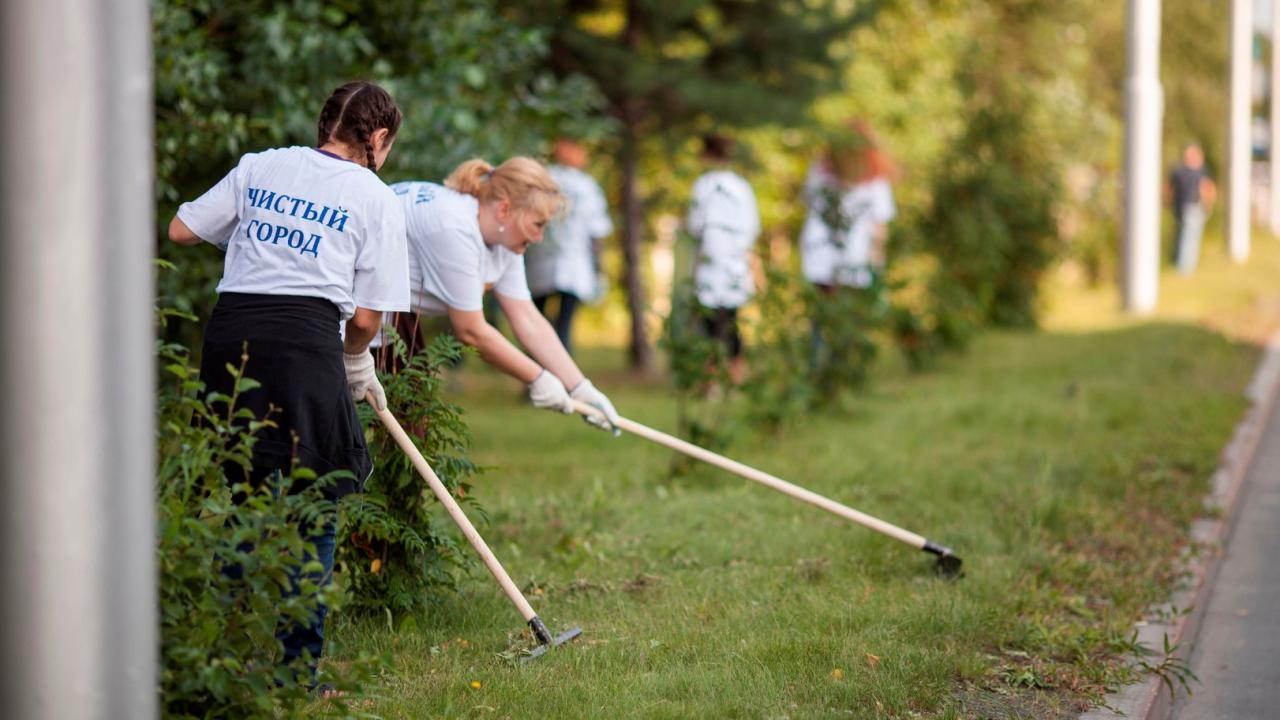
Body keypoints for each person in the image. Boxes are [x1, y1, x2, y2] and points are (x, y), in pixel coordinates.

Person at [167, 81, 408, 694]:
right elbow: (364, 320)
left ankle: (213, 656)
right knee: (315, 503)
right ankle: (296, 673)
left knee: (246, 496)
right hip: (305, 343)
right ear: (377, 139)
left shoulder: (261, 165)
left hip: (233, 338)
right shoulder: (375, 197)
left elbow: (181, 231)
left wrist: (256, 236)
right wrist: (357, 364)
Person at [387, 157, 622, 433]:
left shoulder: (504, 238)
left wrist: (581, 388)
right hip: (351, 305)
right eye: (537, 224)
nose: (539, 238)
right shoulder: (455, 227)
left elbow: (527, 318)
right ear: (504, 210)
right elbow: (471, 331)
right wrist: (538, 378)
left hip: (388, 311)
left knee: (407, 430)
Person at [799, 121, 897, 374]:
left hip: (827, 252)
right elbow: (879, 226)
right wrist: (877, 261)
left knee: (824, 314)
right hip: (844, 254)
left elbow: (808, 204)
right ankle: (838, 367)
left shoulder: (824, 172)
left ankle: (824, 366)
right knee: (845, 316)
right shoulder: (827, 173)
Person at [523, 139, 614, 355]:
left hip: (541, 260)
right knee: (564, 325)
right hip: (575, 264)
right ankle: (562, 377)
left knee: (535, 323)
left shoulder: (544, 179)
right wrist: (599, 270)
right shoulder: (588, 186)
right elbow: (596, 232)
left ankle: (534, 376)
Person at [686, 134, 760, 384]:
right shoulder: (742, 187)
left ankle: (714, 378)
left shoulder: (703, 185)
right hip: (735, 261)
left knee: (711, 325)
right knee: (730, 321)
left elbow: (694, 224)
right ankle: (732, 375)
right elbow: (752, 226)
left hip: (712, 261)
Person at [1167, 143, 1217, 276]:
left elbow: (1169, 190)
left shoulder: (1178, 171)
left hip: (1180, 208)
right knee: (1190, 238)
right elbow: (1206, 188)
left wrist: (1168, 204)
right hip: (1194, 207)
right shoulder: (1200, 172)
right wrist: (1208, 204)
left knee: (1184, 236)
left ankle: (1183, 265)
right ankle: (1185, 268)